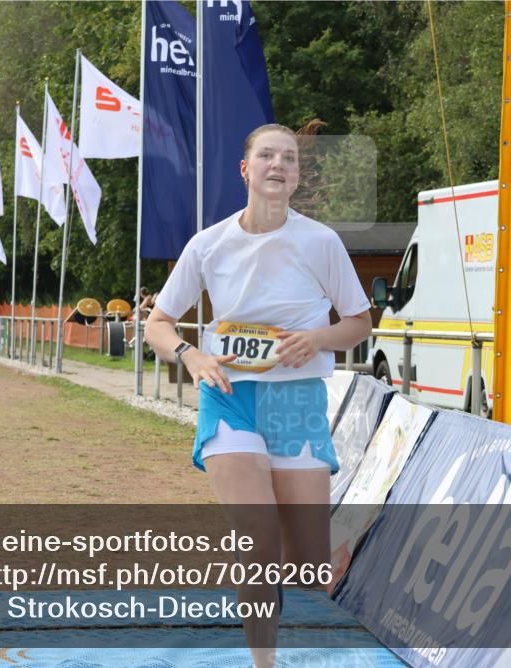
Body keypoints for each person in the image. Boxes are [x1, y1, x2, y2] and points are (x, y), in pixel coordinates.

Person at [144, 123, 372, 668]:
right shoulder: (209, 243)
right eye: (266, 156)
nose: (278, 165)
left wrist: (318, 338)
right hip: (231, 396)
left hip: (296, 401)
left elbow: (360, 322)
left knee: (306, 561)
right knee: (258, 538)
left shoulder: (321, 242)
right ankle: (263, 664)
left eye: (289, 159)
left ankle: (300, 652)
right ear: (245, 170)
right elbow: (158, 323)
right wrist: (191, 356)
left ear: (296, 176)